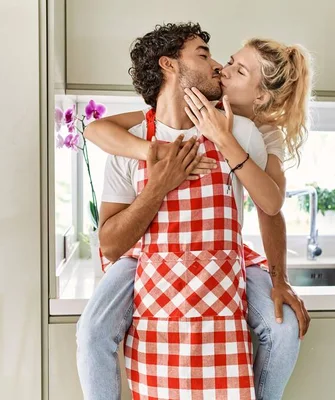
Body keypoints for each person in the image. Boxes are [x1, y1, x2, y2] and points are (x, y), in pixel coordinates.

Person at [77, 22, 312, 400]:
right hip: (148, 258)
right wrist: (156, 158)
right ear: (169, 66)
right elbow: (96, 133)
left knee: (284, 329)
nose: (220, 66)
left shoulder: (246, 131)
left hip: (221, 261)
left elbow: (271, 206)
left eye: (235, 68)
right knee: (91, 331)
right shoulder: (135, 137)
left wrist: (279, 278)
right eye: (206, 55)